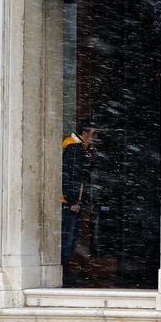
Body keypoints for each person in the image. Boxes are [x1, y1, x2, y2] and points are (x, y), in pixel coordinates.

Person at [60, 121, 98, 284]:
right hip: (69, 202)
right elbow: (71, 175)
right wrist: (73, 200)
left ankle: (64, 273)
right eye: (93, 134)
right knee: (68, 239)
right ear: (84, 134)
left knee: (70, 238)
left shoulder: (79, 148)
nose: (95, 138)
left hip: (70, 200)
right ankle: (63, 274)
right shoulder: (74, 148)